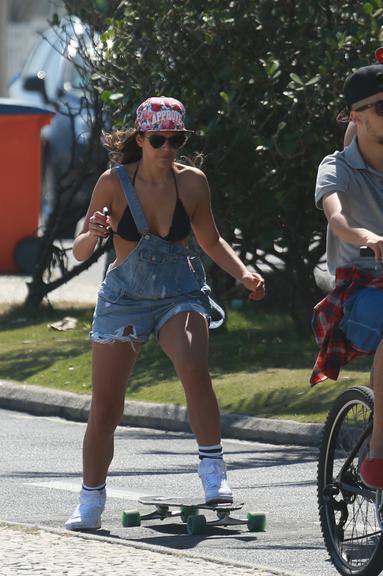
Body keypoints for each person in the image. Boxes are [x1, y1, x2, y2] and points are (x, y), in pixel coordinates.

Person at [65, 96, 265, 530]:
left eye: (176, 138)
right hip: (125, 298)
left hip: (181, 292)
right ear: (141, 138)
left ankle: (214, 471)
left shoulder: (192, 183)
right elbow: (81, 248)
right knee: (106, 409)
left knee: (194, 367)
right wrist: (93, 233)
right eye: (158, 138)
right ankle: (90, 499)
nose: (168, 146)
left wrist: (244, 273)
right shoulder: (113, 183)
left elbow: (210, 241)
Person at [311, 64, 383, 489]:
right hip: (359, 293)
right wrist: (366, 235)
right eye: (381, 106)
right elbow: (337, 217)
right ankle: (377, 453)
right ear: (355, 116)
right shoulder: (336, 166)